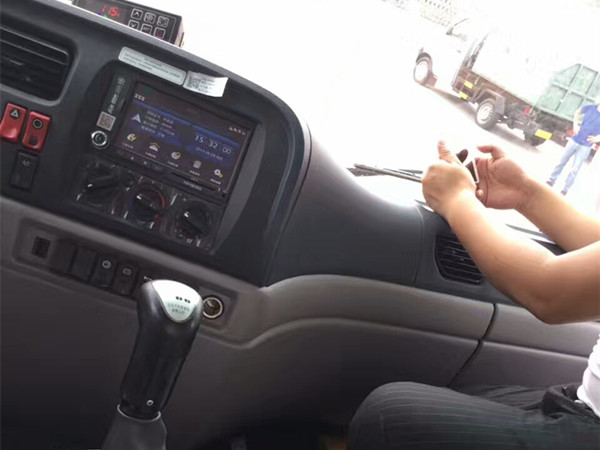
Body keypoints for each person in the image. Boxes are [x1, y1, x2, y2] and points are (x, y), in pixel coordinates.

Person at [348, 141, 600, 449]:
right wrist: (526, 194)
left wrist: (456, 200)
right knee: (458, 397)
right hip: (585, 401)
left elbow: (549, 291)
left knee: (387, 417)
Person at [547, 100, 600, 195]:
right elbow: (577, 112)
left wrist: (597, 138)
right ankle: (551, 180)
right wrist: (575, 125)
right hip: (574, 140)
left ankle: (565, 189)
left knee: (575, 169)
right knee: (561, 162)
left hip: (585, 146)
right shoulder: (590, 108)